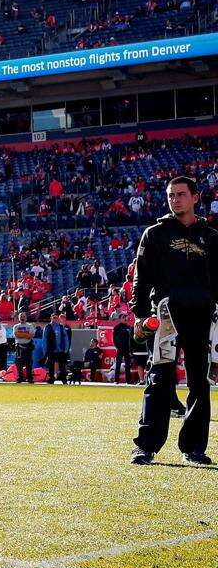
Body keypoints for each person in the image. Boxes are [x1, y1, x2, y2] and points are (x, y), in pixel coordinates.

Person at [130, 177, 217, 465]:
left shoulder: (212, 236)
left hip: (202, 317)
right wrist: (141, 314)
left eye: (181, 194)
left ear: (195, 197)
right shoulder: (154, 234)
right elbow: (141, 278)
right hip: (166, 317)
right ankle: (146, 446)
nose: (175, 199)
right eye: (171, 195)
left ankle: (193, 448)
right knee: (160, 380)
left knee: (200, 383)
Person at [43, 312, 70, 384]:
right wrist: (45, 350)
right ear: (51, 318)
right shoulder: (47, 327)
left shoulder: (61, 327)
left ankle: (64, 379)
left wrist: (66, 349)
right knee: (51, 366)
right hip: (51, 349)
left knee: (62, 366)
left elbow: (66, 338)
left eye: (56, 318)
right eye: (54, 317)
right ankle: (51, 379)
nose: (55, 319)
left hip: (60, 350)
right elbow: (44, 339)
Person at [12, 311, 35, 383]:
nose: (22, 318)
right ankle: (20, 378)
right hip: (19, 347)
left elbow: (31, 336)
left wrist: (21, 334)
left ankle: (30, 378)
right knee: (18, 364)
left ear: (26, 317)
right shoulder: (16, 326)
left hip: (28, 346)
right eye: (21, 316)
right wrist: (26, 334)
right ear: (18, 317)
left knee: (29, 364)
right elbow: (16, 335)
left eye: (24, 316)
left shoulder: (30, 326)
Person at [112, 314, 132, 384]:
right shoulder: (117, 327)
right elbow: (114, 339)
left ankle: (128, 381)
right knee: (118, 364)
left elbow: (131, 339)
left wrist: (130, 349)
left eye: (125, 317)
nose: (125, 319)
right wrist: (117, 346)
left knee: (128, 365)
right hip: (120, 348)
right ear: (120, 319)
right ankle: (116, 380)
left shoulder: (129, 327)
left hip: (127, 349)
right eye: (123, 317)